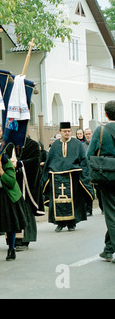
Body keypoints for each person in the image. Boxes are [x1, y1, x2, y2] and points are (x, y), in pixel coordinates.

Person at [42, 122, 94, 232]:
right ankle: (60, 223)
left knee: (74, 200)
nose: (67, 133)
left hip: (72, 176)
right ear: (60, 132)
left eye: (69, 131)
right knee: (57, 201)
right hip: (57, 178)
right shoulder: (55, 145)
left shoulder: (77, 144)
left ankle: (72, 223)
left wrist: (84, 174)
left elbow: (83, 160)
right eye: (64, 131)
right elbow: (49, 161)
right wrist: (47, 175)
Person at [87, 100, 115, 263]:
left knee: (111, 215)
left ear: (105, 114)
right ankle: (108, 249)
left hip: (107, 177)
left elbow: (89, 154)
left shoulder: (101, 130)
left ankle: (111, 249)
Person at [10, 137, 44, 252]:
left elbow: (35, 162)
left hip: (26, 183)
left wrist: (20, 164)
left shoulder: (32, 144)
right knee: (13, 211)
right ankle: (13, 240)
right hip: (12, 182)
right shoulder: (9, 144)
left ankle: (25, 240)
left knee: (26, 210)